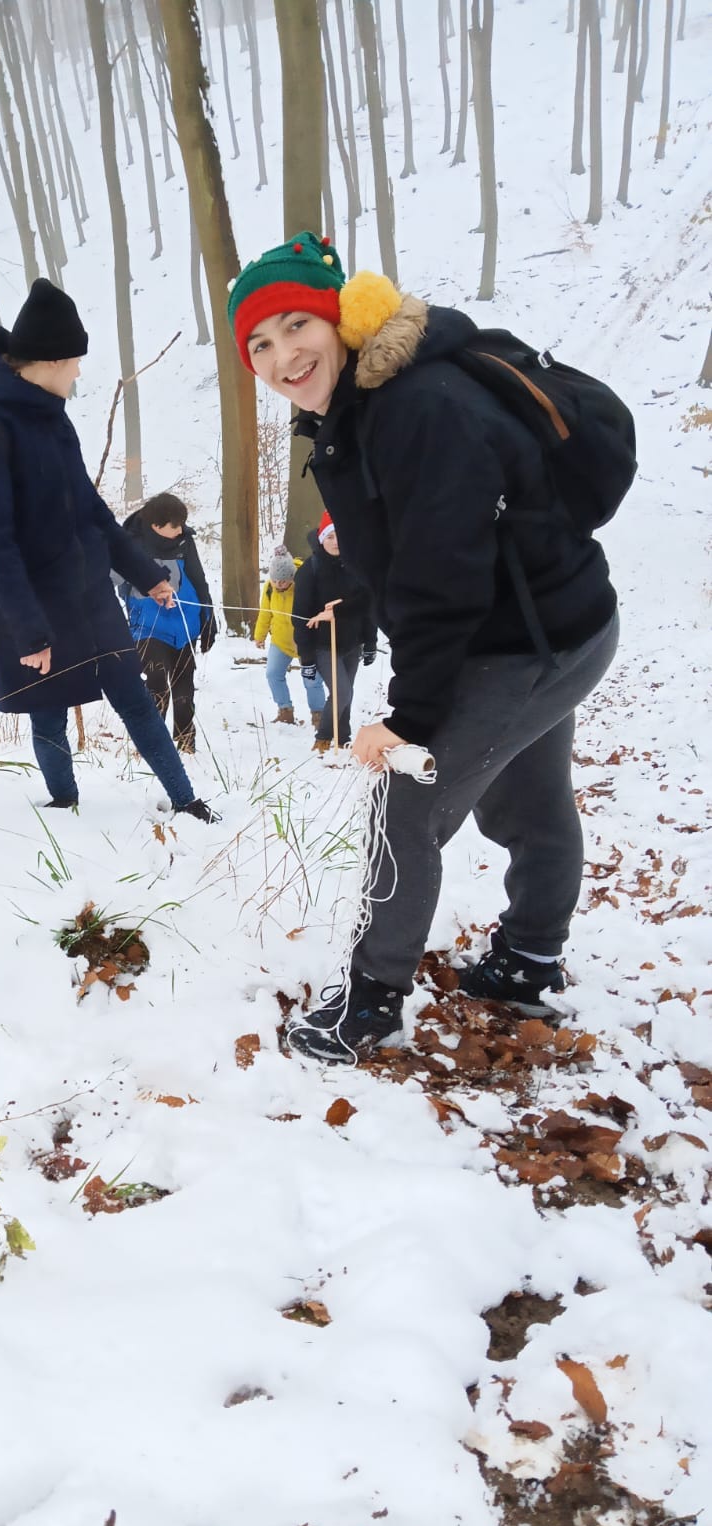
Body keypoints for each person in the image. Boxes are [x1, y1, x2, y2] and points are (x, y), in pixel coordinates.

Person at [227, 232, 619, 1061]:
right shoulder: (368, 404)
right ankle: (530, 959)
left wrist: (408, 720)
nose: (282, 355)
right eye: (259, 343)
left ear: (342, 319)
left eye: (296, 325)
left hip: (524, 642)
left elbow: (442, 578)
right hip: (561, 621)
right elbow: (430, 537)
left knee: (404, 807)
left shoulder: (412, 408)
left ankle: (371, 1001)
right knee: (529, 798)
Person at [0, 279, 218, 822]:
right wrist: (28, 631)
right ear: (52, 360)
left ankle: (186, 799)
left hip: (91, 599)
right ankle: (63, 805)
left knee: (136, 701)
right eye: (75, 361)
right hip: (34, 608)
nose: (78, 372)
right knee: (48, 713)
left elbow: (93, 513)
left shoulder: (54, 421)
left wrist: (146, 574)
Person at [118, 491, 217, 753]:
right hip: (148, 628)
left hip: (185, 626)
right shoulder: (129, 544)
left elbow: (199, 580)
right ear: (156, 525)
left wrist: (208, 619)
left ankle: (186, 742)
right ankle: (153, 745)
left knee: (184, 691)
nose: (181, 529)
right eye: (176, 525)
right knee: (157, 682)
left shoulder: (184, 541)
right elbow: (115, 581)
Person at [292, 511, 378, 750]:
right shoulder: (310, 570)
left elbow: (368, 605)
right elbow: (300, 618)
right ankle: (323, 738)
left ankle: (343, 738)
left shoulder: (357, 567)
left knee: (346, 693)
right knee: (341, 693)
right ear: (322, 539)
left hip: (352, 642)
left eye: (340, 535)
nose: (336, 541)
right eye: (330, 536)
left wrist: (370, 642)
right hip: (323, 645)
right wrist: (306, 658)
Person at [253, 545, 325, 725]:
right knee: (273, 674)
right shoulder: (269, 588)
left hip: (305, 642)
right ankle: (285, 710)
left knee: (311, 680)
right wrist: (260, 635)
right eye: (275, 580)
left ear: (292, 577)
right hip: (280, 640)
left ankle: (319, 715)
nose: (278, 584)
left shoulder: (304, 585)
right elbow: (265, 613)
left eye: (283, 581)